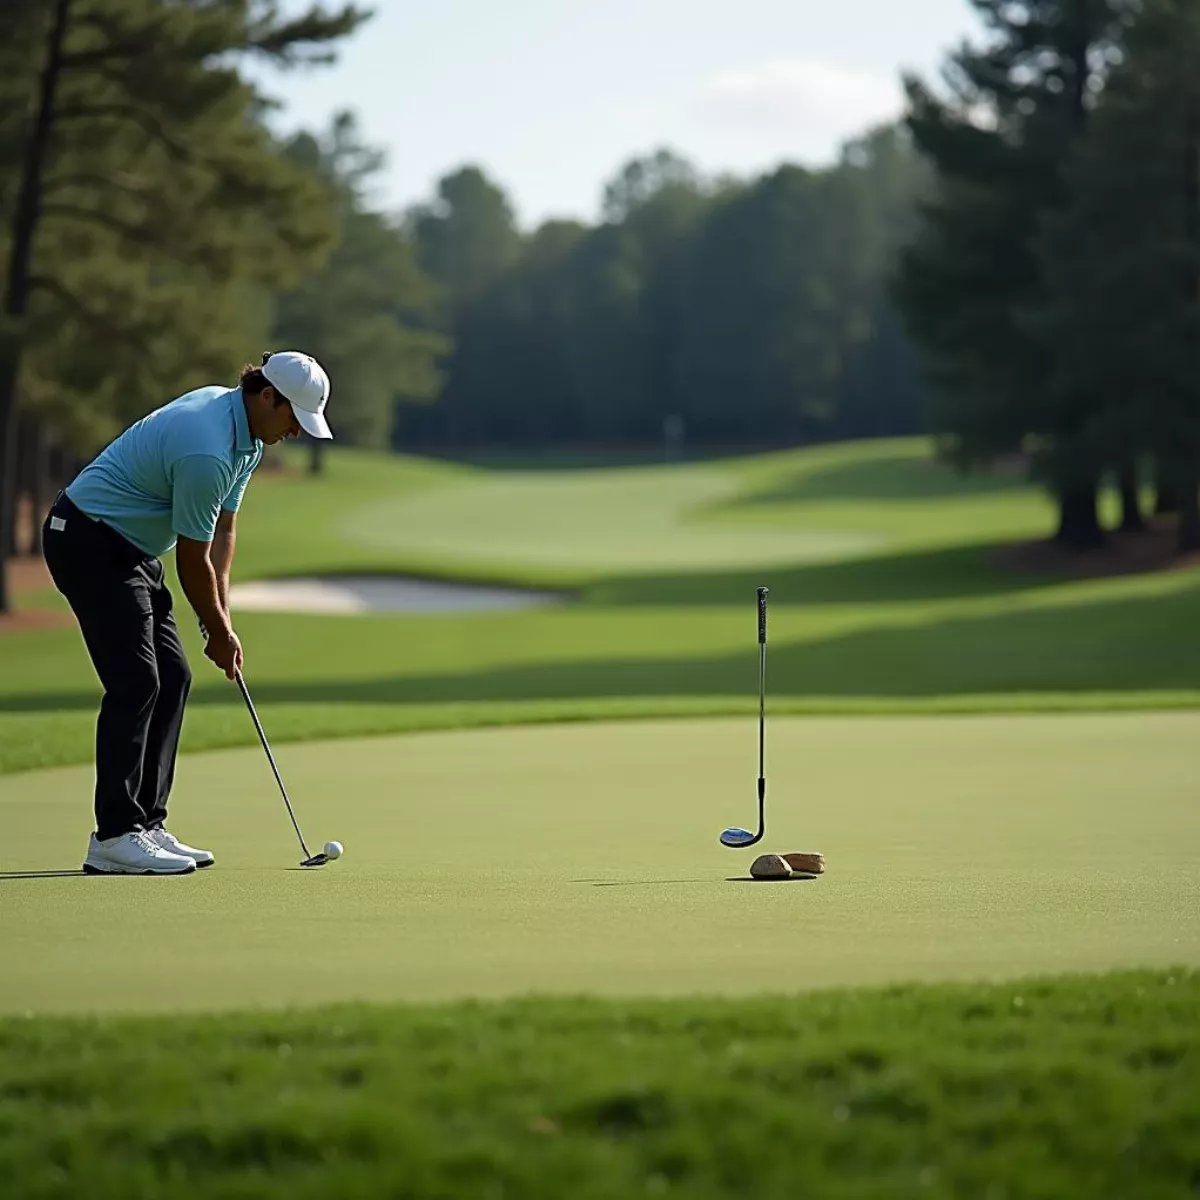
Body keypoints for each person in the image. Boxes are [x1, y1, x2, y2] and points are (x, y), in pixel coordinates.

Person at [41, 351, 333, 875]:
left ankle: (146, 826)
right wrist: (217, 631)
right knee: (135, 681)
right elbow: (192, 559)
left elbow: (222, 531)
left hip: (129, 549)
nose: (296, 431)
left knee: (171, 676)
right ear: (267, 396)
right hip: (87, 539)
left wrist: (221, 618)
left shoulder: (247, 438)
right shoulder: (208, 448)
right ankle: (114, 835)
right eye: (294, 418)